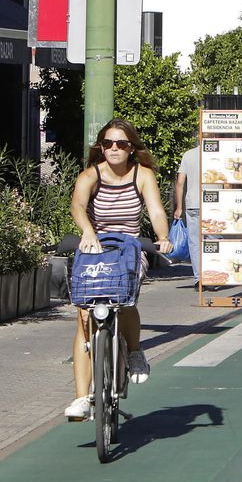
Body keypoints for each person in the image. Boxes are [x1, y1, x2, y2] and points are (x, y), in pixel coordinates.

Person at [65, 119, 172, 420]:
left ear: (131, 148)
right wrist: (87, 231)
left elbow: (155, 210)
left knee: (124, 301)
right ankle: (81, 398)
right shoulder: (90, 175)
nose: (114, 148)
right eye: (109, 143)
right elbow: (76, 205)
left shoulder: (143, 175)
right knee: (84, 313)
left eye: (122, 144)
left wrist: (162, 237)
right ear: (100, 147)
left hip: (129, 249)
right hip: (95, 247)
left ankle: (135, 352)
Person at [173, 135, 202, 284]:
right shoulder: (218, 154)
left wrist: (179, 207)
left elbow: (180, 183)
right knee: (214, 241)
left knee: (195, 242)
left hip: (193, 204)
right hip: (215, 205)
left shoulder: (188, 155)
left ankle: (199, 278)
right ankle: (212, 274)